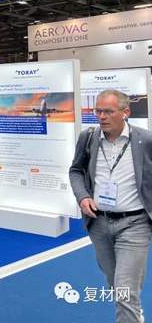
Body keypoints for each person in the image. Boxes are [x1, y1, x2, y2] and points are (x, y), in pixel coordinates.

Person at [70, 89, 152, 323]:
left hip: (135, 223)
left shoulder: (145, 140)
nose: (101, 116)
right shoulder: (88, 137)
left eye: (108, 111)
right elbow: (76, 170)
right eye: (98, 111)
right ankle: (134, 314)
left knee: (125, 289)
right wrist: (83, 197)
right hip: (99, 223)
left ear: (125, 112)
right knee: (115, 283)